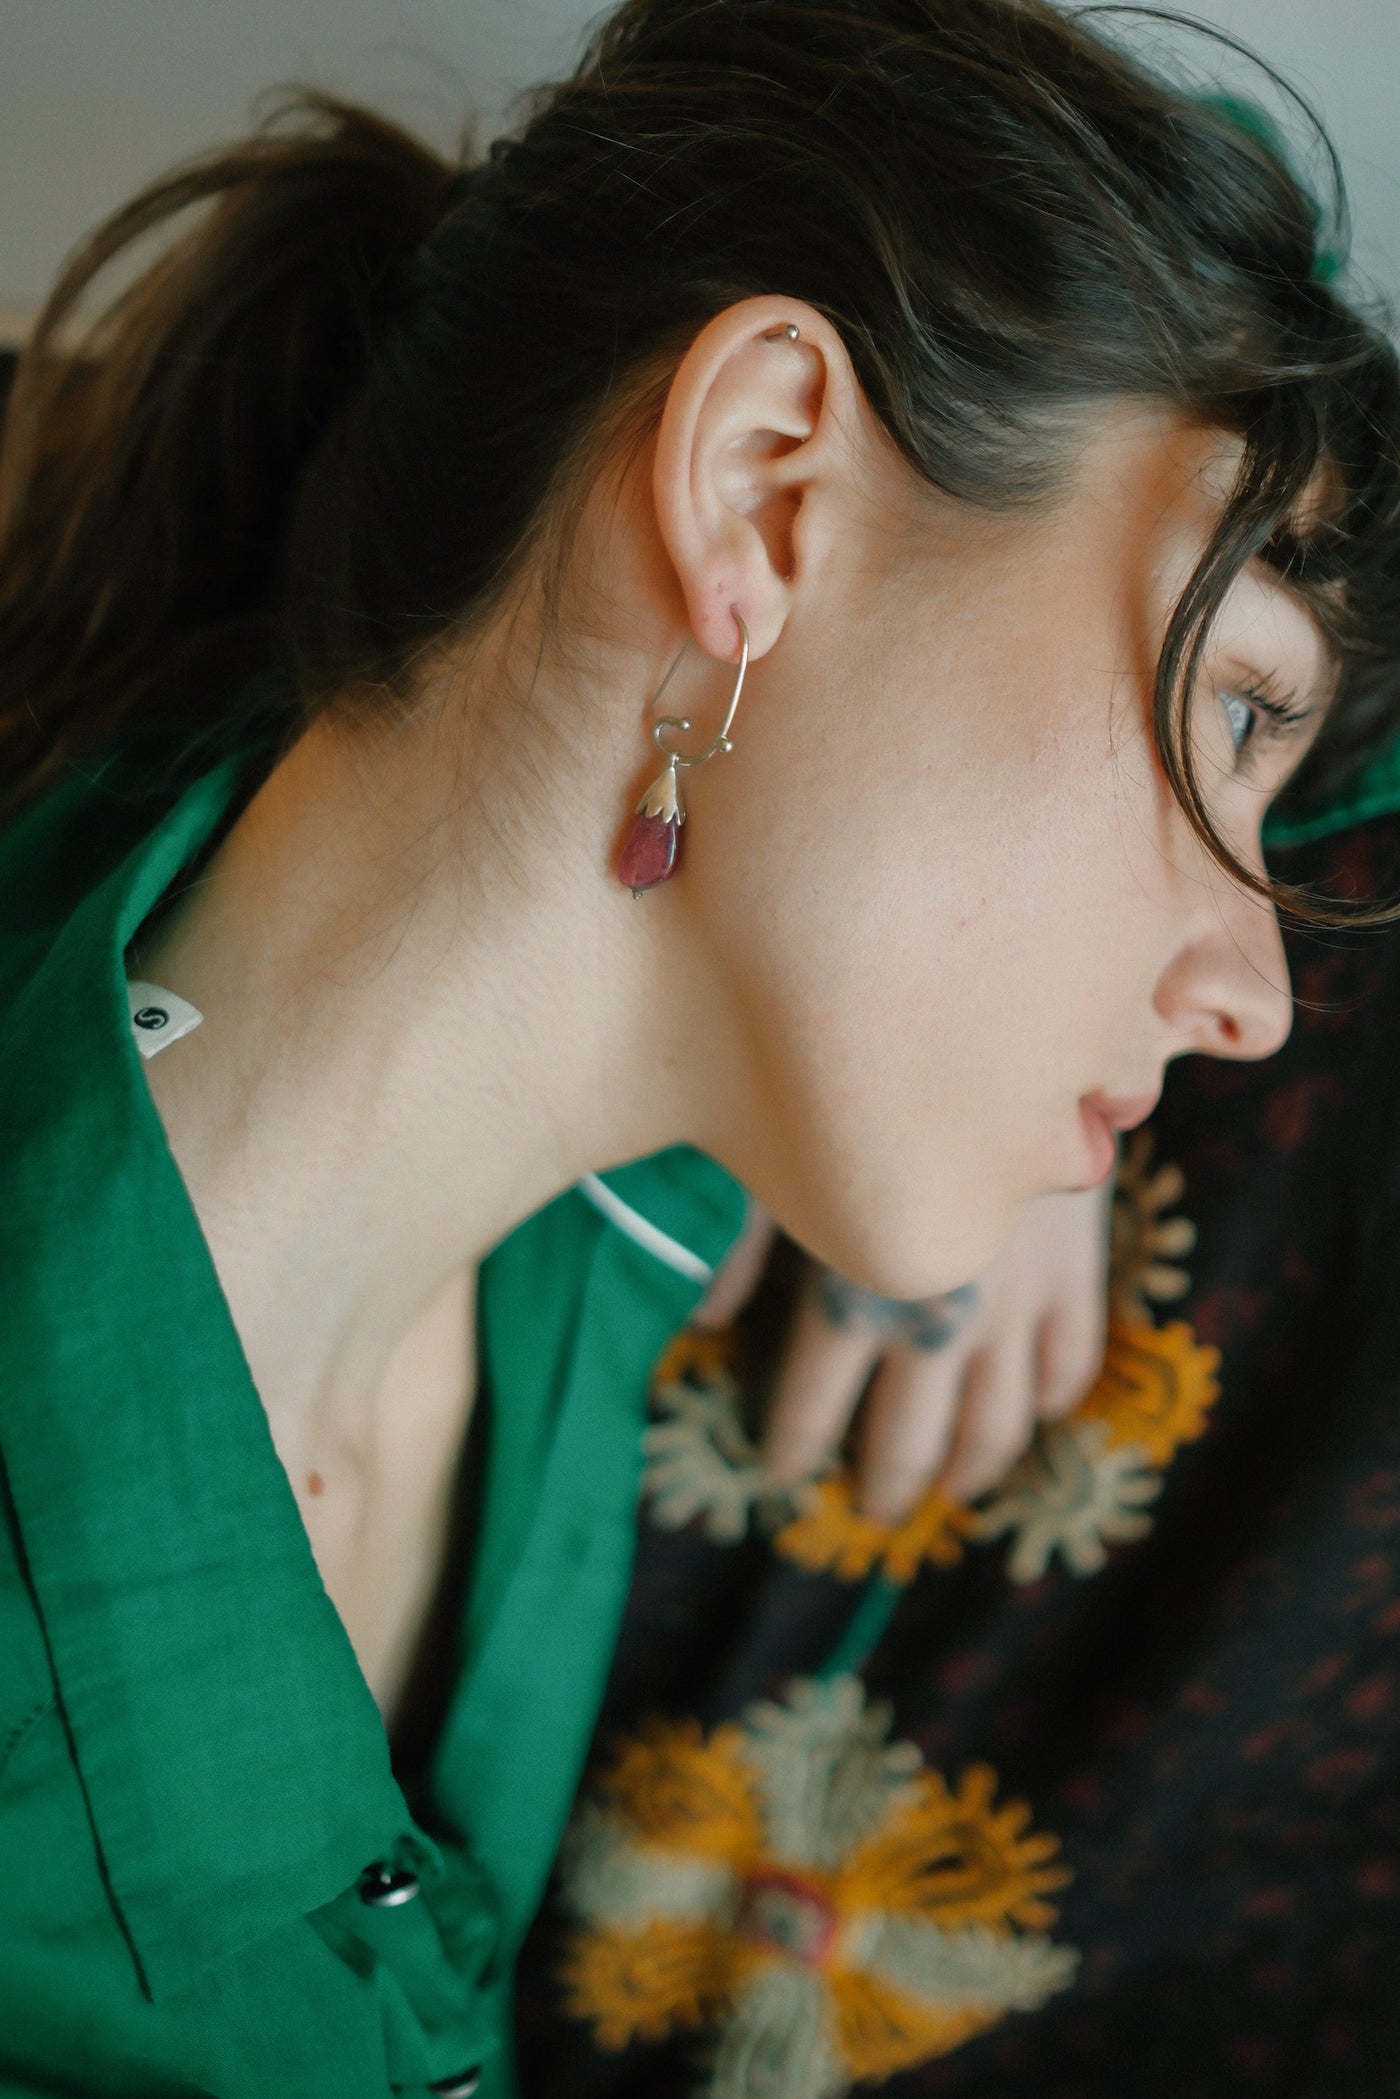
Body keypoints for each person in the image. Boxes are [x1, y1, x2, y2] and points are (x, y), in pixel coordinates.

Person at [1, 2, 1396, 2095]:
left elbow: (1201, 220)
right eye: (1231, 712)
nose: (1256, 997)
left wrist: (1019, 1038)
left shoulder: (608, 1162)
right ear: (762, 484)